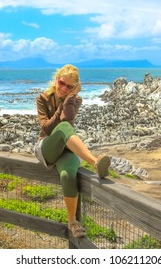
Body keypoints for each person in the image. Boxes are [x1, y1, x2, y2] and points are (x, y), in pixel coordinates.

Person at [34, 64, 111, 238]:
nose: (64, 88)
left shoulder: (75, 100)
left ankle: (72, 222)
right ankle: (95, 162)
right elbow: (46, 129)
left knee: (68, 175)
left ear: (74, 88)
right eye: (61, 83)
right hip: (46, 147)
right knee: (62, 127)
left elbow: (67, 121)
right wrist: (61, 107)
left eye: (69, 86)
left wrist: (69, 100)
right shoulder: (43, 98)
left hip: (65, 148)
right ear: (56, 79)